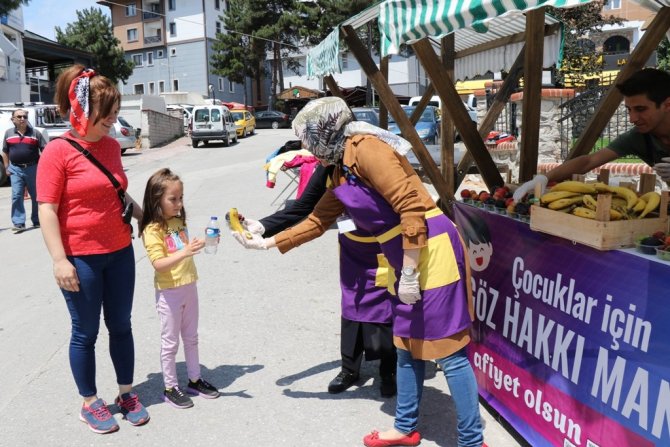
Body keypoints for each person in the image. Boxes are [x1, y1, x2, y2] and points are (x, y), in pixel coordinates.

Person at [233, 97, 485, 447]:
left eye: (308, 139)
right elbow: (317, 220)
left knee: (448, 352)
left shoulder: (365, 148)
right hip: (405, 257)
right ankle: (405, 427)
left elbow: (410, 206)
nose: (307, 148)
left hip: (431, 250)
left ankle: (473, 440)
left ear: (325, 132)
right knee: (405, 345)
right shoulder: (339, 170)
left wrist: (410, 270)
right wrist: (267, 241)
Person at [36, 65, 148, 434]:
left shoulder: (113, 146)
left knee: (121, 325)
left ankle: (126, 394)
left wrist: (147, 217)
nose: (113, 122)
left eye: (116, 115)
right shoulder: (56, 151)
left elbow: (115, 189)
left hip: (120, 251)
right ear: (82, 110)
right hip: (80, 258)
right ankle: (89, 401)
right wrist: (58, 260)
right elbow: (47, 209)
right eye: (107, 116)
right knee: (85, 332)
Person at [238, 158, 397, 397]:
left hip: (383, 247)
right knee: (351, 305)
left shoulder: (373, 162)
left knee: (384, 309)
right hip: (353, 249)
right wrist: (261, 226)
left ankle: (389, 370)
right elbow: (305, 209)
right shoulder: (328, 167)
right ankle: (349, 369)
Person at [513, 68, 670, 201]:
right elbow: (588, 161)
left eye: (641, 109)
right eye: (629, 110)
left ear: (667, 105)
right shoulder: (638, 137)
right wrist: (545, 177)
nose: (632, 119)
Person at [139, 168, 220, 409]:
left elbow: (185, 248)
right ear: (157, 200)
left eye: (181, 197)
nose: (179, 203)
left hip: (189, 286)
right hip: (169, 292)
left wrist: (205, 241)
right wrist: (184, 251)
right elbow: (158, 263)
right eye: (172, 199)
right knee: (170, 342)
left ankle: (194, 380)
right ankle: (170, 387)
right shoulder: (152, 229)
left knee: (192, 337)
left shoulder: (177, 221)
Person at [2, 108, 47, 233]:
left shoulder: (36, 133)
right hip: (15, 169)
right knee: (16, 196)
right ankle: (19, 222)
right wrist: (6, 167)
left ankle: (37, 220)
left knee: (36, 196)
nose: (23, 119)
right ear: (13, 120)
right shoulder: (8, 133)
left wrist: (44, 168)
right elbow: (4, 152)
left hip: (33, 168)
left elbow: (45, 151)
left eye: (25, 117)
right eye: (19, 117)